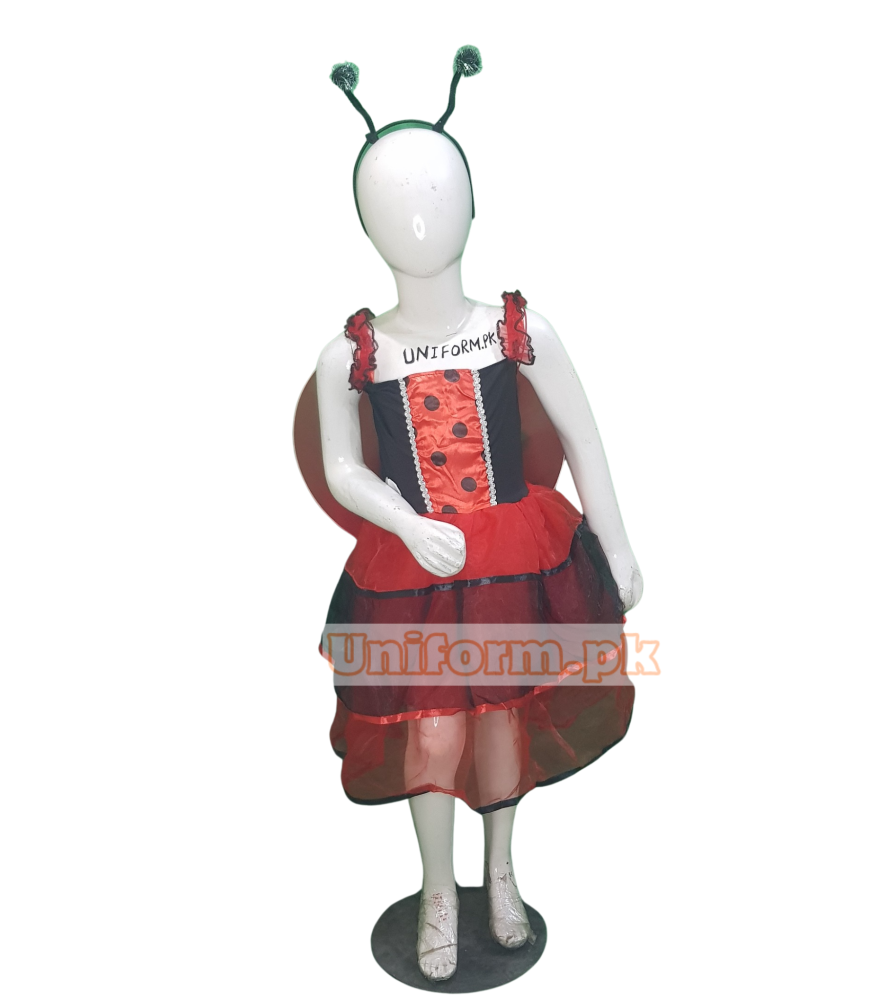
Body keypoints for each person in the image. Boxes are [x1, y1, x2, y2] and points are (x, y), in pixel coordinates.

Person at [315, 48, 642, 982]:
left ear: (472, 203)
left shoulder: (515, 327)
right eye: (391, 202)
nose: (418, 215)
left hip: (515, 556)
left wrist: (616, 542)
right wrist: (404, 521)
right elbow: (341, 467)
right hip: (413, 567)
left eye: (437, 193)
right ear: (363, 221)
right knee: (431, 725)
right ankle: (434, 889)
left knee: (503, 717)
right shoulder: (353, 351)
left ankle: (500, 874)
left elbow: (585, 435)